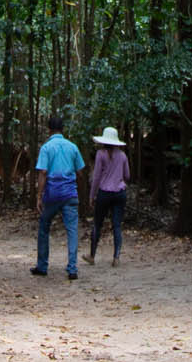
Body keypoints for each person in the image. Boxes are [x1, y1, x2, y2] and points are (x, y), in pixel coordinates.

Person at [31, 115, 85, 279]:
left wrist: (39, 196)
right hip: (70, 194)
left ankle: (42, 266)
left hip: (52, 195)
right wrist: (78, 190)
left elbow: (43, 172)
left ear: (49, 130)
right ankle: (72, 268)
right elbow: (80, 172)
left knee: (44, 227)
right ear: (63, 129)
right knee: (72, 230)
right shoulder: (73, 147)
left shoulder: (46, 148)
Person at [86, 127, 129, 265]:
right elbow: (127, 175)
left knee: (97, 224)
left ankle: (92, 256)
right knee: (117, 225)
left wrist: (92, 195)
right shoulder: (122, 155)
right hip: (119, 193)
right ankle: (116, 257)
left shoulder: (100, 154)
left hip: (104, 193)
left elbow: (96, 176)